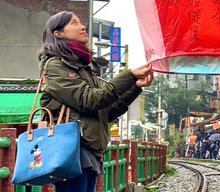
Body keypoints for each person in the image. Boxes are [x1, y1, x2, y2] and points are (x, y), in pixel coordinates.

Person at [39, 11, 154, 192]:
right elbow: (89, 100)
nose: (82, 26)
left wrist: (135, 87)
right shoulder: (55, 65)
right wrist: (129, 75)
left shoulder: (84, 67)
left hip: (88, 149)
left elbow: (107, 111)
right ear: (58, 33)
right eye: (74, 23)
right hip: (72, 148)